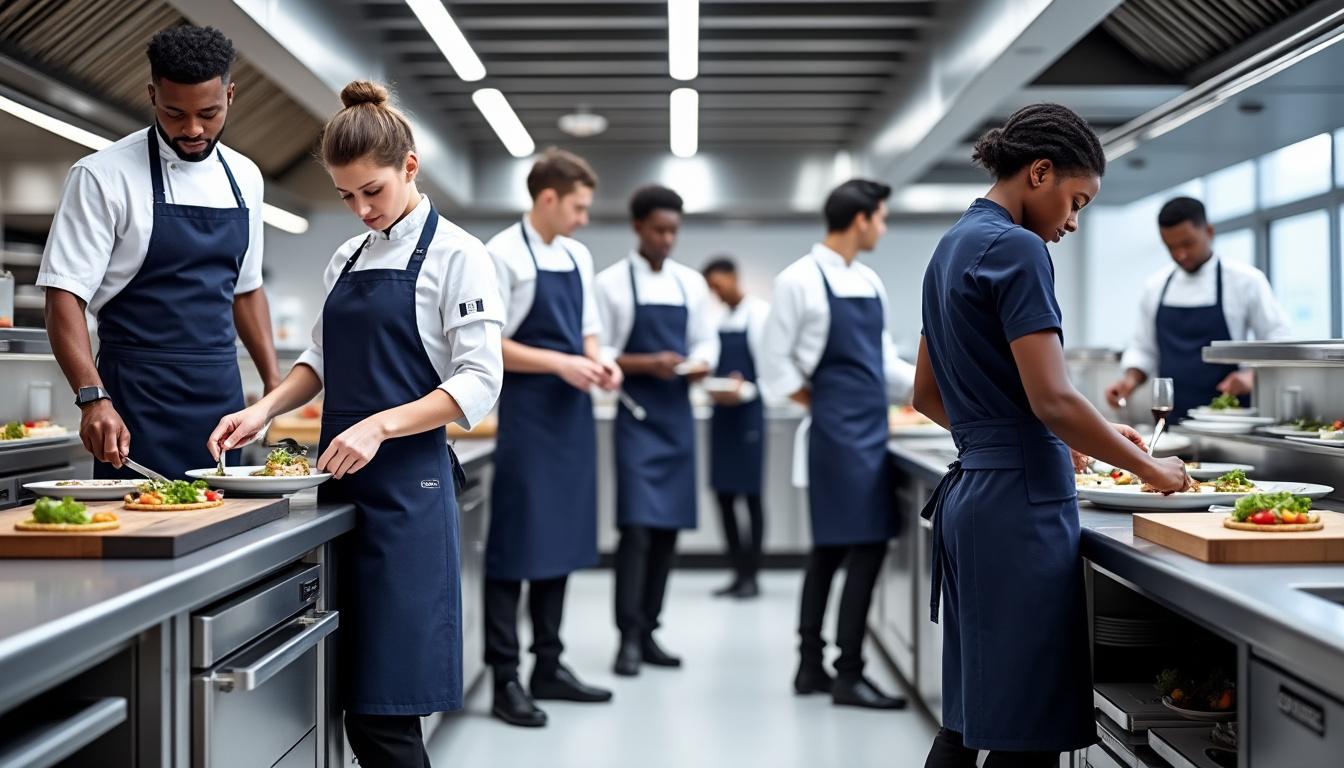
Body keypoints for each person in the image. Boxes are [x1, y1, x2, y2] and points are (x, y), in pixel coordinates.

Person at [207, 81, 503, 767]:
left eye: (372, 191)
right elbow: (319, 360)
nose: (361, 209)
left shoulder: (460, 256)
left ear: (409, 166)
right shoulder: (348, 258)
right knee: (346, 704)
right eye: (346, 196)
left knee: (385, 715)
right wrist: (264, 408)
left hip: (407, 502)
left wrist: (378, 427)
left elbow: (477, 382)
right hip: (340, 498)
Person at [914, 104, 1187, 767]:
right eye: (1076, 200)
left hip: (975, 498)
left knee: (972, 719)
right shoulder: (1018, 247)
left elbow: (927, 395)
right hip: (1019, 512)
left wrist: (1028, 437)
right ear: (1040, 173)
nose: (1071, 221)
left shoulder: (949, 247)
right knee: (1026, 731)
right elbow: (1056, 398)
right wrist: (1152, 471)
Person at [39, 25, 279, 479]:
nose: (192, 129)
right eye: (174, 113)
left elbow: (246, 290)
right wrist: (93, 398)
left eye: (208, 113)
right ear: (151, 95)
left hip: (220, 403)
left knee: (227, 534)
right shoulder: (101, 176)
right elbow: (63, 298)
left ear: (230, 95)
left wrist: (272, 387)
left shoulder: (246, 177)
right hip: (133, 403)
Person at [758, 179, 915, 710]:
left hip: (871, 429)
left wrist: (928, 392)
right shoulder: (797, 281)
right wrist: (828, 404)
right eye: (882, 218)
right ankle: (848, 672)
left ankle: (810, 668)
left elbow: (880, 364)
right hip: (836, 436)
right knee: (863, 548)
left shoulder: (869, 281)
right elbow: (774, 370)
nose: (884, 227)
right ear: (862, 218)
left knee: (828, 551)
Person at [483, 149, 621, 727]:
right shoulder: (500, 255)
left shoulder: (576, 254)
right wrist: (560, 365)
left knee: (560, 543)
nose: (584, 219)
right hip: (528, 415)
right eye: (579, 207)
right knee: (516, 548)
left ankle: (549, 664)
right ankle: (506, 677)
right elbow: (493, 344)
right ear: (548, 199)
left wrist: (599, 363)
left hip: (571, 418)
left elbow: (588, 332)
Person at [595, 184, 719, 677]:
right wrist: (647, 362)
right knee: (637, 530)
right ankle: (626, 636)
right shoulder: (610, 283)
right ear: (638, 227)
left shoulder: (691, 284)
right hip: (637, 416)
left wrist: (701, 363)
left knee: (668, 533)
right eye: (659, 230)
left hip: (677, 419)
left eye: (674, 231)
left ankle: (649, 631)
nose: (668, 239)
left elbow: (705, 341)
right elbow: (598, 350)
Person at [1105, 196, 1291, 418]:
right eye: (1170, 247)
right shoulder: (1155, 286)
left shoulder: (1246, 280)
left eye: (1187, 244)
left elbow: (1278, 340)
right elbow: (1143, 348)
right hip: (1171, 418)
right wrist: (1129, 382)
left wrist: (1251, 376)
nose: (1179, 255)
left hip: (1229, 417)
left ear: (1209, 232)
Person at [701, 257, 770, 599]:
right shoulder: (720, 320)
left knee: (751, 497)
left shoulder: (758, 315)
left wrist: (746, 388)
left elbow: (768, 370)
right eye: (711, 288)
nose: (717, 293)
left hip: (748, 416)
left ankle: (752, 574)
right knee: (724, 497)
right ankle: (736, 572)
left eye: (719, 285)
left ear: (733, 277)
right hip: (722, 417)